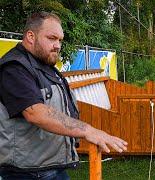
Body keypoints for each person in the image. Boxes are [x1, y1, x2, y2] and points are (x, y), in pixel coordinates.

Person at [0, 12, 127, 179]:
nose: (58, 45)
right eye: (52, 38)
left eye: (60, 40)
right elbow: (35, 113)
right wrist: (88, 130)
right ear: (30, 36)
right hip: (27, 173)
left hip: (50, 168)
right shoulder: (15, 68)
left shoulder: (44, 66)